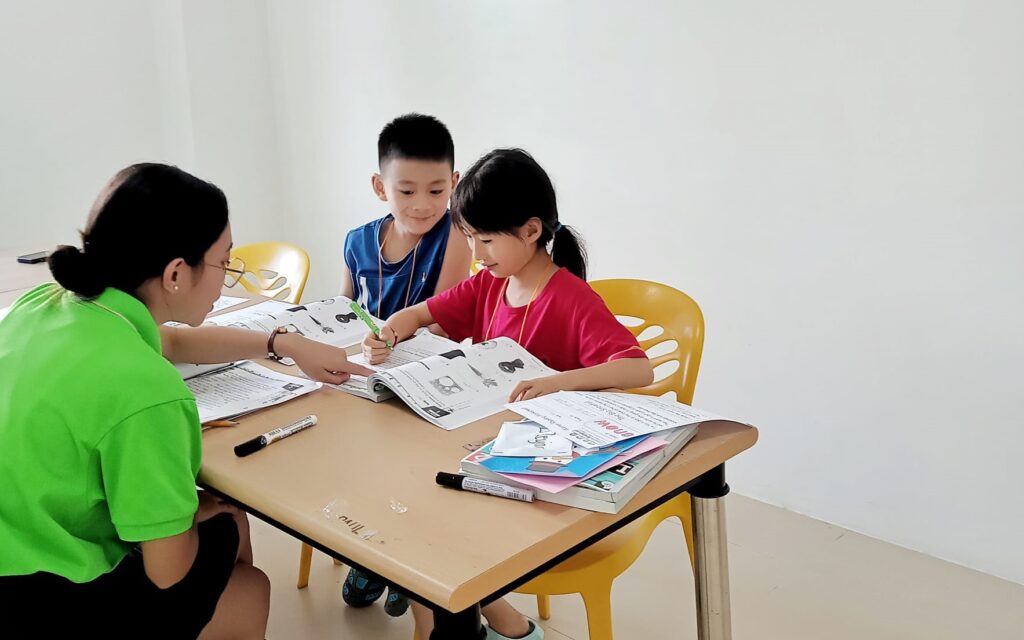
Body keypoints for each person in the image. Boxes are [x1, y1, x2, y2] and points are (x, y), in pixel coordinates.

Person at [0, 163, 369, 638]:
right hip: (43, 598)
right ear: (176, 273)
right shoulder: (148, 391)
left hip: (17, 543)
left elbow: (170, 343)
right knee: (244, 563)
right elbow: (168, 572)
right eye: (225, 263)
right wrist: (194, 512)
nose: (226, 280)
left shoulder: (46, 305)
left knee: (223, 526)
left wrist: (285, 343)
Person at [364, 149, 655, 640]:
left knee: (423, 523)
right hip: (480, 443)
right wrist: (388, 335)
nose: (478, 254)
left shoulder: (570, 298)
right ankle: (497, 620)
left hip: (540, 465)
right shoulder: (489, 286)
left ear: (531, 230)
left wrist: (553, 381)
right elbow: (416, 315)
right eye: (472, 239)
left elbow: (637, 368)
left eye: (488, 240)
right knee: (405, 506)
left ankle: (487, 621)